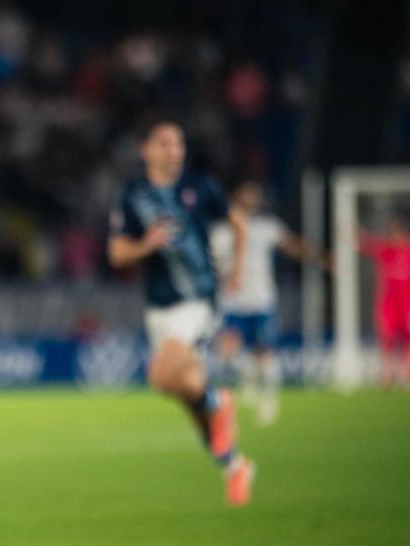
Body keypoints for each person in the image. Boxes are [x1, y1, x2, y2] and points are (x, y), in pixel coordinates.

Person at [108, 117, 256, 507]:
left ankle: (219, 403)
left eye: (178, 144)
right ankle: (234, 465)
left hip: (198, 302)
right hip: (159, 308)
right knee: (189, 398)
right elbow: (117, 253)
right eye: (165, 143)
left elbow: (238, 224)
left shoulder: (199, 188)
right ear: (146, 149)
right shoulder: (133, 196)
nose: (174, 150)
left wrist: (237, 271)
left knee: (160, 377)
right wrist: (147, 243)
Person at [210, 180, 330, 425]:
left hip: (261, 301)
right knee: (225, 352)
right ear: (235, 199)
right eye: (247, 196)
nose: (252, 201)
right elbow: (211, 263)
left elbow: (293, 246)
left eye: (255, 196)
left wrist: (321, 257)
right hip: (232, 302)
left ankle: (269, 401)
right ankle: (247, 374)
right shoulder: (221, 232)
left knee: (265, 353)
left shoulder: (266, 227)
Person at [357, 216, 410, 389]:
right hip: (389, 305)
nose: (395, 236)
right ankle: (386, 376)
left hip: (407, 305)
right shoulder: (386, 250)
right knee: (387, 341)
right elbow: (365, 243)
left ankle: (406, 376)